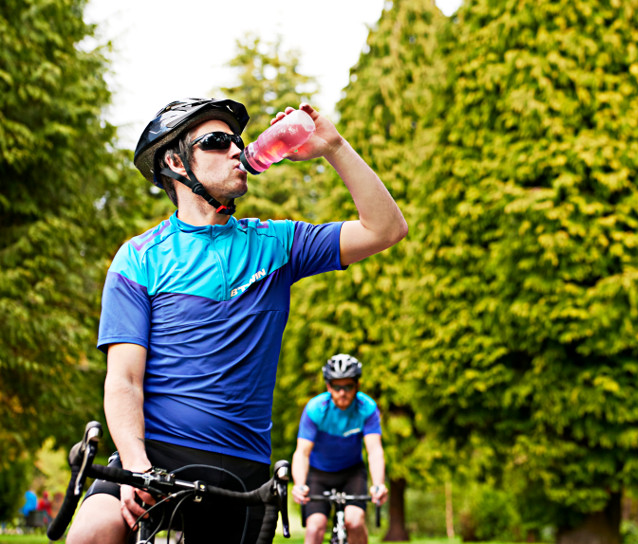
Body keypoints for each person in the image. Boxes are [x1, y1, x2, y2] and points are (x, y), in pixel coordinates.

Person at [65, 98, 407, 544]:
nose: (235, 150)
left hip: (242, 469)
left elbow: (386, 229)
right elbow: (124, 380)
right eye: (216, 141)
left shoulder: (278, 243)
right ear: (174, 161)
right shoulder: (138, 258)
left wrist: (334, 146)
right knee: (92, 531)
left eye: (238, 141)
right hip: (153, 454)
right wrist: (134, 466)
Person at [291, 354, 388, 544]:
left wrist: (378, 484)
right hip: (319, 474)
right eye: (336, 387)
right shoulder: (315, 409)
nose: (342, 392)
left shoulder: (367, 409)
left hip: (352, 473)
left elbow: (375, 451)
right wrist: (299, 484)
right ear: (328, 387)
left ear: (357, 386)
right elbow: (302, 452)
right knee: (315, 527)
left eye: (348, 386)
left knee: (355, 522)